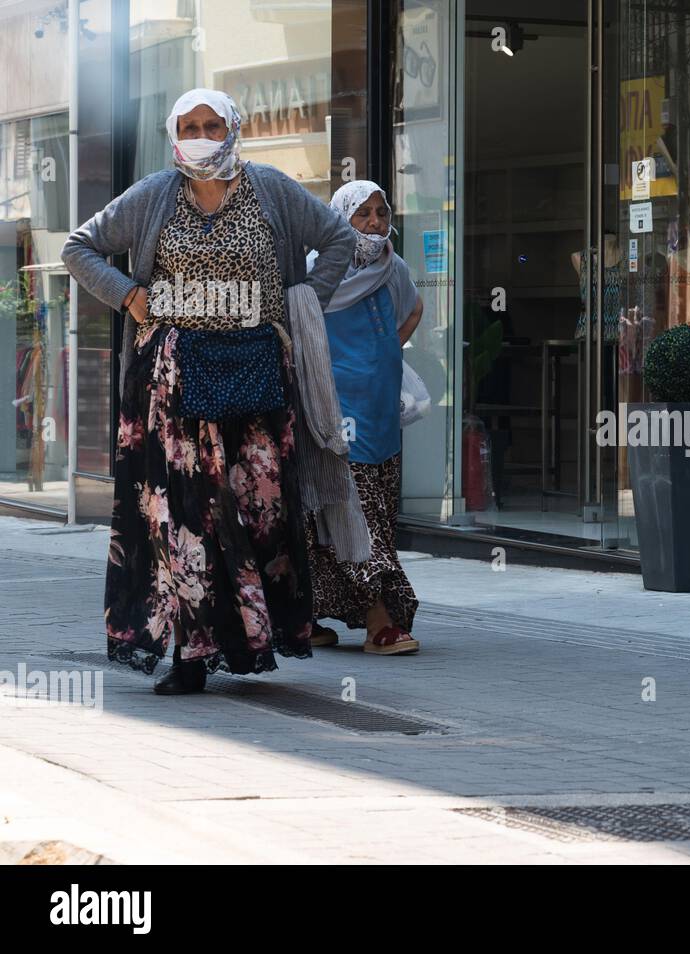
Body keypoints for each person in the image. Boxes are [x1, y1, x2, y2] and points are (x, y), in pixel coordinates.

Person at [61, 88, 361, 694]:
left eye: (212, 124)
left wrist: (298, 305)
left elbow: (340, 240)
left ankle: (249, 640)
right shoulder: (153, 194)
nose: (201, 134)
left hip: (254, 371)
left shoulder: (271, 188)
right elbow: (79, 248)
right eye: (190, 125)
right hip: (171, 384)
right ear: (174, 132)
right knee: (184, 520)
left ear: (233, 129)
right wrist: (128, 294)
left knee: (259, 509)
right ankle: (190, 653)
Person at [306, 181, 423, 655]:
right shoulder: (320, 270)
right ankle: (378, 620)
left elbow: (412, 307)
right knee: (350, 515)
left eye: (381, 212)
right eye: (363, 214)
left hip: (380, 413)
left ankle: (303, 616)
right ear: (341, 219)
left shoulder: (391, 266)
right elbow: (300, 325)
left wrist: (386, 349)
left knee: (375, 515)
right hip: (336, 413)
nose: (375, 222)